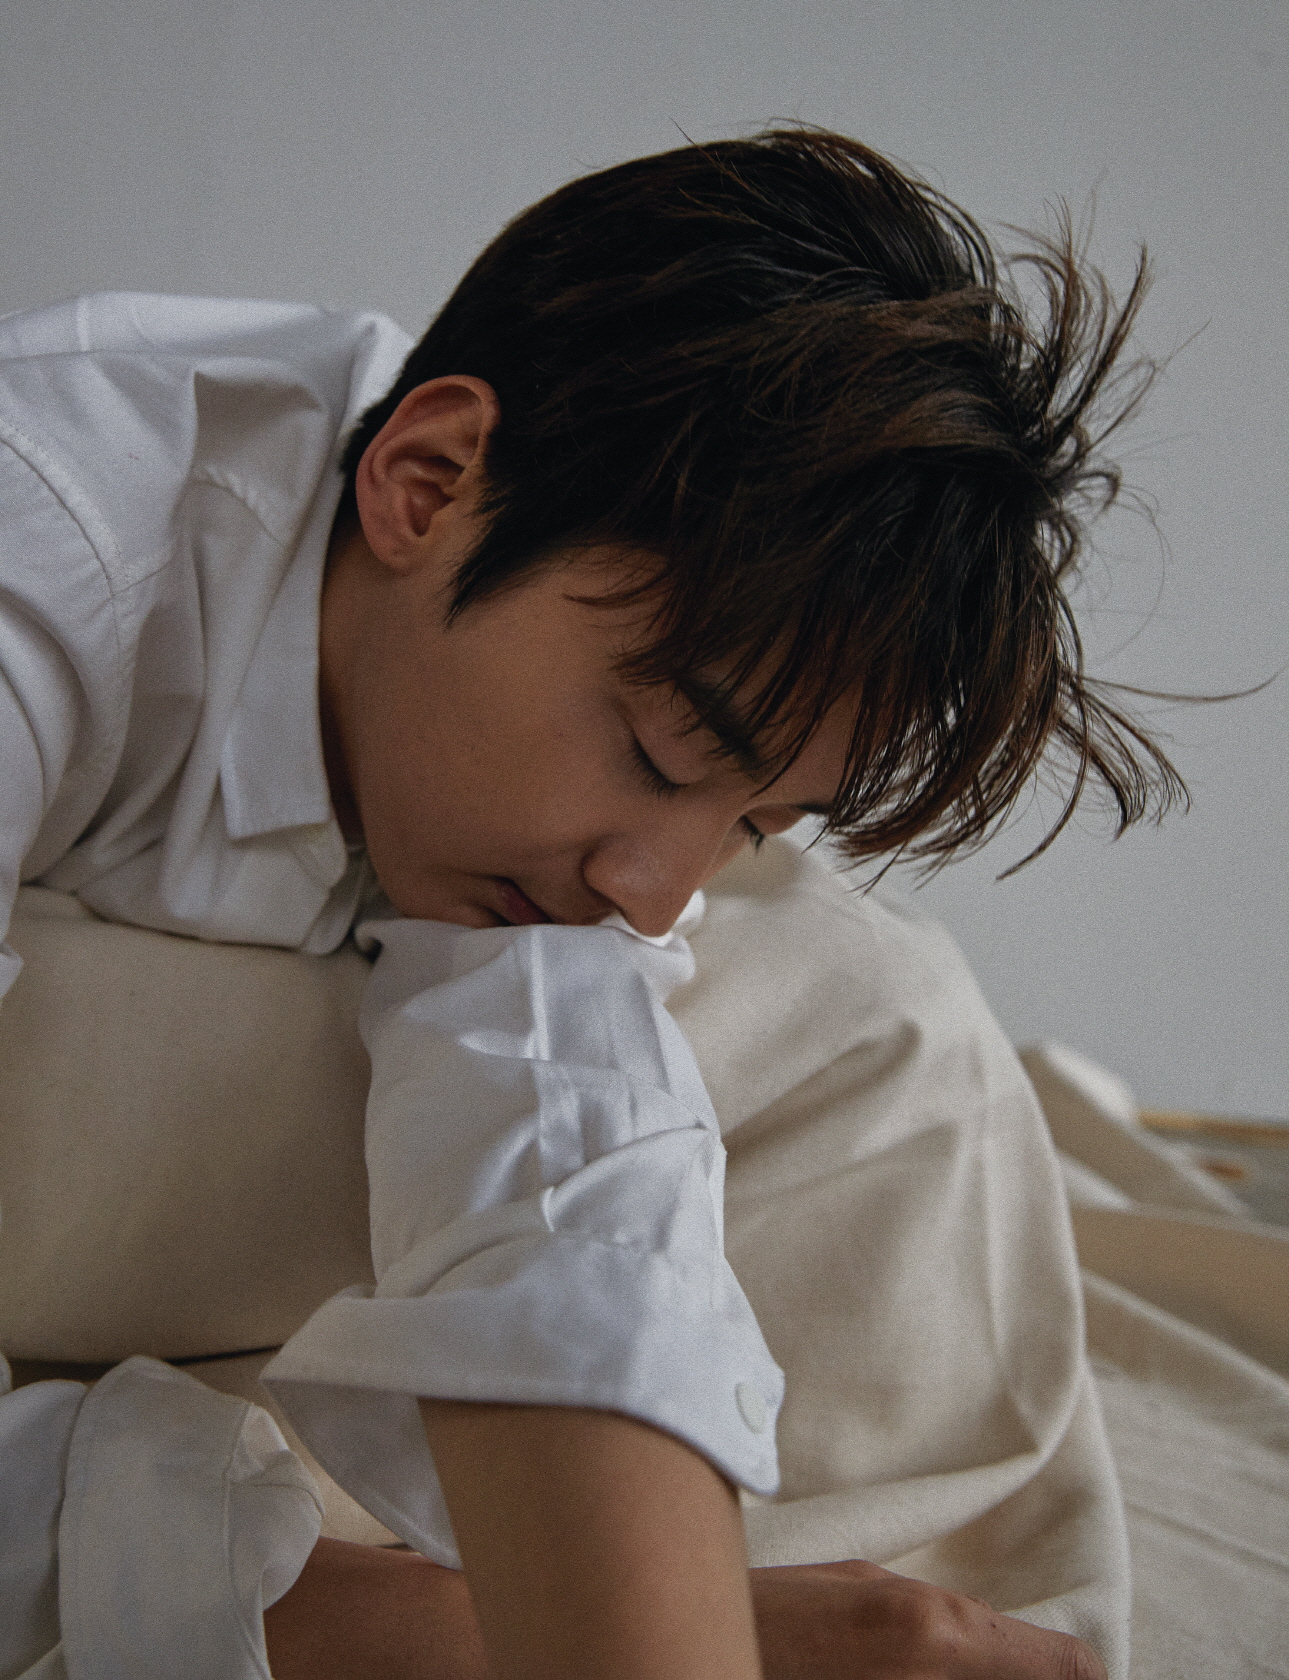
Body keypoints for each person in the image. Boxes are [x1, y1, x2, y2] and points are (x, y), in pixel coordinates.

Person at [0, 129, 1173, 1678]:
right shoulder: (48, 541)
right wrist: (414, 1635)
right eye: (658, 751)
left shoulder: (559, 795)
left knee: (879, 1000)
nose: (649, 889)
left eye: (754, 820)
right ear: (426, 482)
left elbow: (572, 1202)